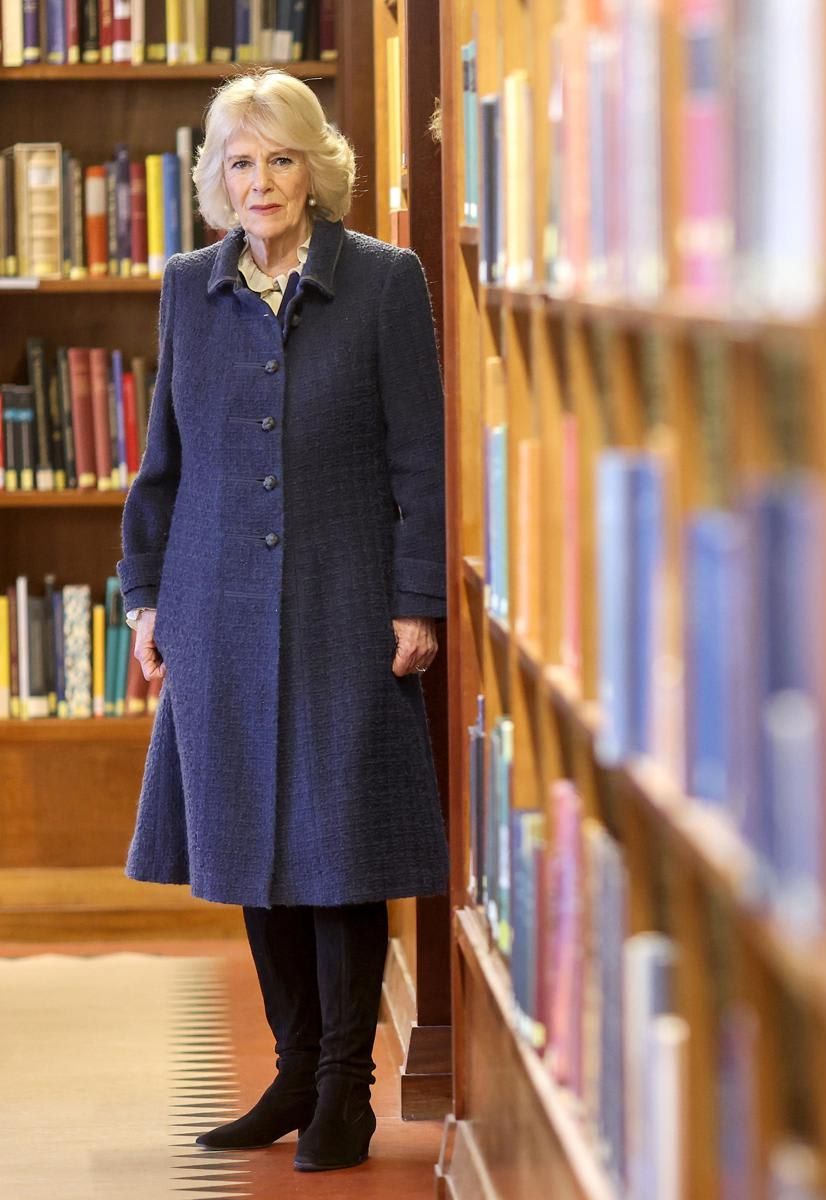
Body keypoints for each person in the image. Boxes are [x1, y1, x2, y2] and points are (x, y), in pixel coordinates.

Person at [116, 69, 450, 1173]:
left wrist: (415, 598)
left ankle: (346, 1091)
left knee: (339, 846)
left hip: (347, 605)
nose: (260, 180)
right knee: (249, 847)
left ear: (318, 170)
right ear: (216, 179)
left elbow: (420, 457)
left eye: (282, 159)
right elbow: (161, 466)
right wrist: (146, 598)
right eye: (241, 162)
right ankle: (294, 1068)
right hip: (213, 607)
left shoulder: (387, 284)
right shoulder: (187, 287)